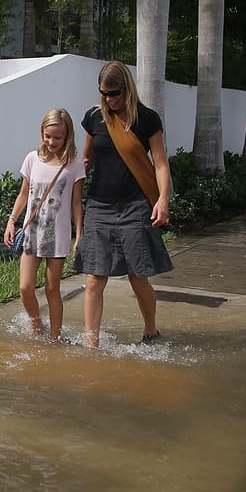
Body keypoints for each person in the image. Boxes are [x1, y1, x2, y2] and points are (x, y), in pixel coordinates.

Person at [74, 61, 173, 347]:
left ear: (127, 89)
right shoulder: (94, 118)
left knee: (137, 275)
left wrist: (163, 199)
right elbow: (87, 161)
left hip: (135, 206)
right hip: (99, 206)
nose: (109, 99)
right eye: (104, 94)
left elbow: (160, 164)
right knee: (94, 278)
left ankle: (150, 330)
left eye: (114, 93)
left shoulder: (148, 119)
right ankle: (91, 343)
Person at [4, 109, 85, 340]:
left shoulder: (75, 165)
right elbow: (23, 195)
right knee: (25, 287)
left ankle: (55, 337)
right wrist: (11, 220)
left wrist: (79, 235)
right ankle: (36, 324)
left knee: (52, 289)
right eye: (47, 136)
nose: (51, 142)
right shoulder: (32, 159)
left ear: (68, 136)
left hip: (57, 236)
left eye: (57, 137)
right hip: (32, 233)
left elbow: (77, 203)